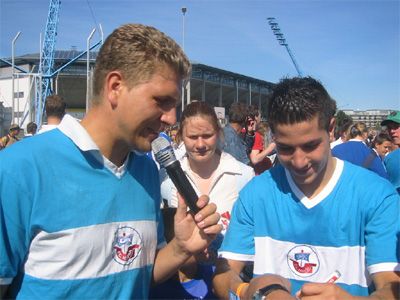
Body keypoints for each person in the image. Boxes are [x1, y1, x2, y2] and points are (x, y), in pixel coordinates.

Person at [0, 23, 222, 299]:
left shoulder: (146, 170)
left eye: (174, 105)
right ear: (115, 87)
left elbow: (137, 279)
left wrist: (180, 248)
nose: (171, 118)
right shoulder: (18, 169)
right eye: (162, 101)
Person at [213, 77, 399, 299]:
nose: (299, 161)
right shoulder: (255, 194)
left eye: (310, 145)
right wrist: (249, 291)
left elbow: (390, 286)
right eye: (285, 148)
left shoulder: (377, 196)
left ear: (331, 129)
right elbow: (223, 274)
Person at [381, 110, 400, 193]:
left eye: (396, 126)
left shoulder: (391, 158)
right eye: (389, 128)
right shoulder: (390, 157)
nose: (392, 131)